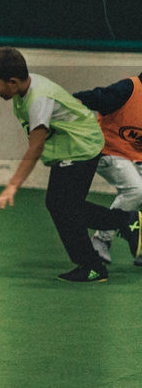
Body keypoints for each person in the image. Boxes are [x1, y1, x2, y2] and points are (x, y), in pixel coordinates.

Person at [0, 47, 139, 282]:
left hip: (81, 147)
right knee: (63, 206)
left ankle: (95, 262)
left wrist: (13, 185)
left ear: (13, 82)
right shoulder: (27, 88)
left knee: (64, 207)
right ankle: (125, 225)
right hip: (72, 146)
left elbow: (35, 148)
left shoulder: (38, 101)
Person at [73, 70, 142, 266]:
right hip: (107, 150)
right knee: (136, 189)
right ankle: (100, 240)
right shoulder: (127, 89)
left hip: (135, 156)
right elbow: (90, 98)